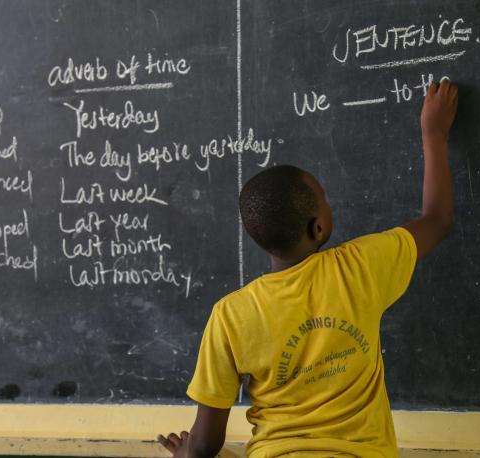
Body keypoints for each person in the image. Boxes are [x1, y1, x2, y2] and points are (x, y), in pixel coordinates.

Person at [158, 80, 458, 457]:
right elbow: (438, 219)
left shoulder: (230, 316)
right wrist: (435, 132)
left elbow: (204, 446)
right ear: (317, 228)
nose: (330, 206)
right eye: (325, 201)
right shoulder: (360, 267)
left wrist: (187, 453)